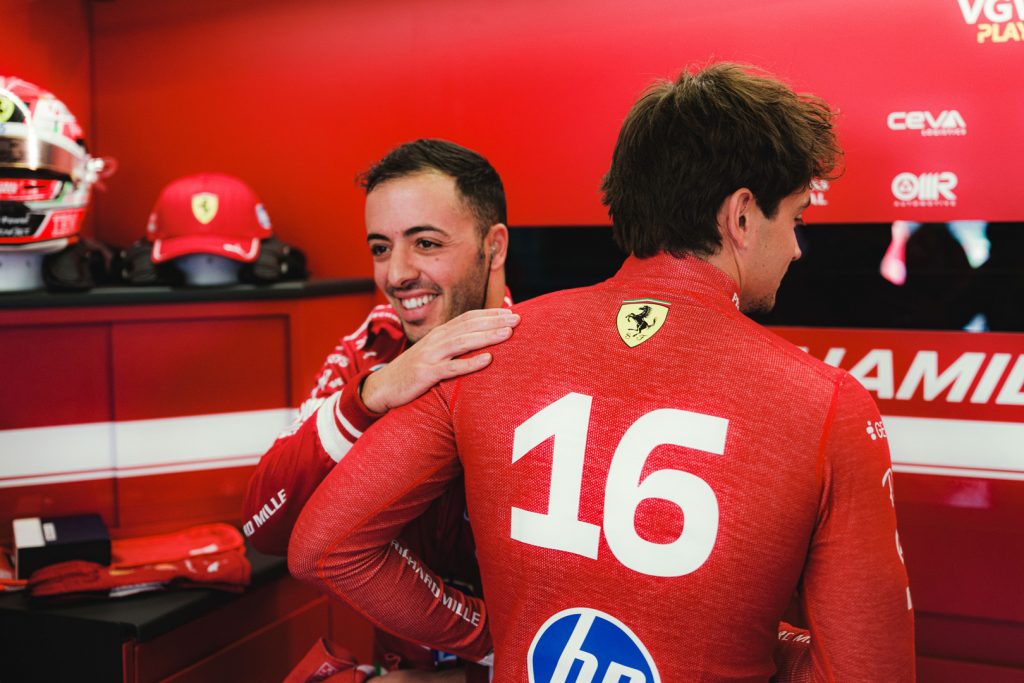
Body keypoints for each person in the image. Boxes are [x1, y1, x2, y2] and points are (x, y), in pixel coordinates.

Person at [290, 63, 916, 681]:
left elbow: (324, 546)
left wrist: (492, 633)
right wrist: (745, 641)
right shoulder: (826, 403)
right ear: (743, 216)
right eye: (796, 219)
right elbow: (869, 671)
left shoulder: (485, 347)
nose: (798, 247)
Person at [244, 139, 518, 681]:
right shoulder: (371, 348)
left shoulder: (545, 357)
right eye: (380, 247)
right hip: (405, 665)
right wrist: (372, 394)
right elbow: (264, 526)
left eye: (426, 242)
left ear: (495, 247)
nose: (396, 274)